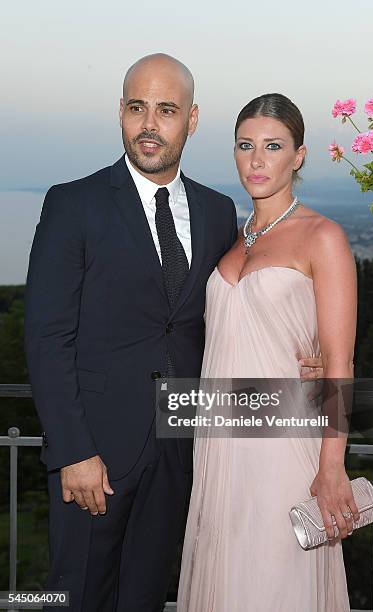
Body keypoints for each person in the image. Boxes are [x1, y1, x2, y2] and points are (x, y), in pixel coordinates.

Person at [24, 55, 323, 611]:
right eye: (137, 108)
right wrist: (73, 451)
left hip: (184, 449)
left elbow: (234, 312)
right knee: (74, 596)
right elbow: (46, 337)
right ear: (120, 112)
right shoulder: (73, 204)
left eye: (165, 110)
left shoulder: (216, 211)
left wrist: (309, 352)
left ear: (191, 118)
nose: (148, 125)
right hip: (96, 455)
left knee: (143, 596)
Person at [177, 93, 359, 612]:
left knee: (275, 583)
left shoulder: (323, 237)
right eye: (245, 146)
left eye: (273, 146)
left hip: (284, 448)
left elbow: (339, 364)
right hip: (217, 446)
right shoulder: (232, 242)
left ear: (298, 156)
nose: (257, 160)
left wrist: (331, 465)